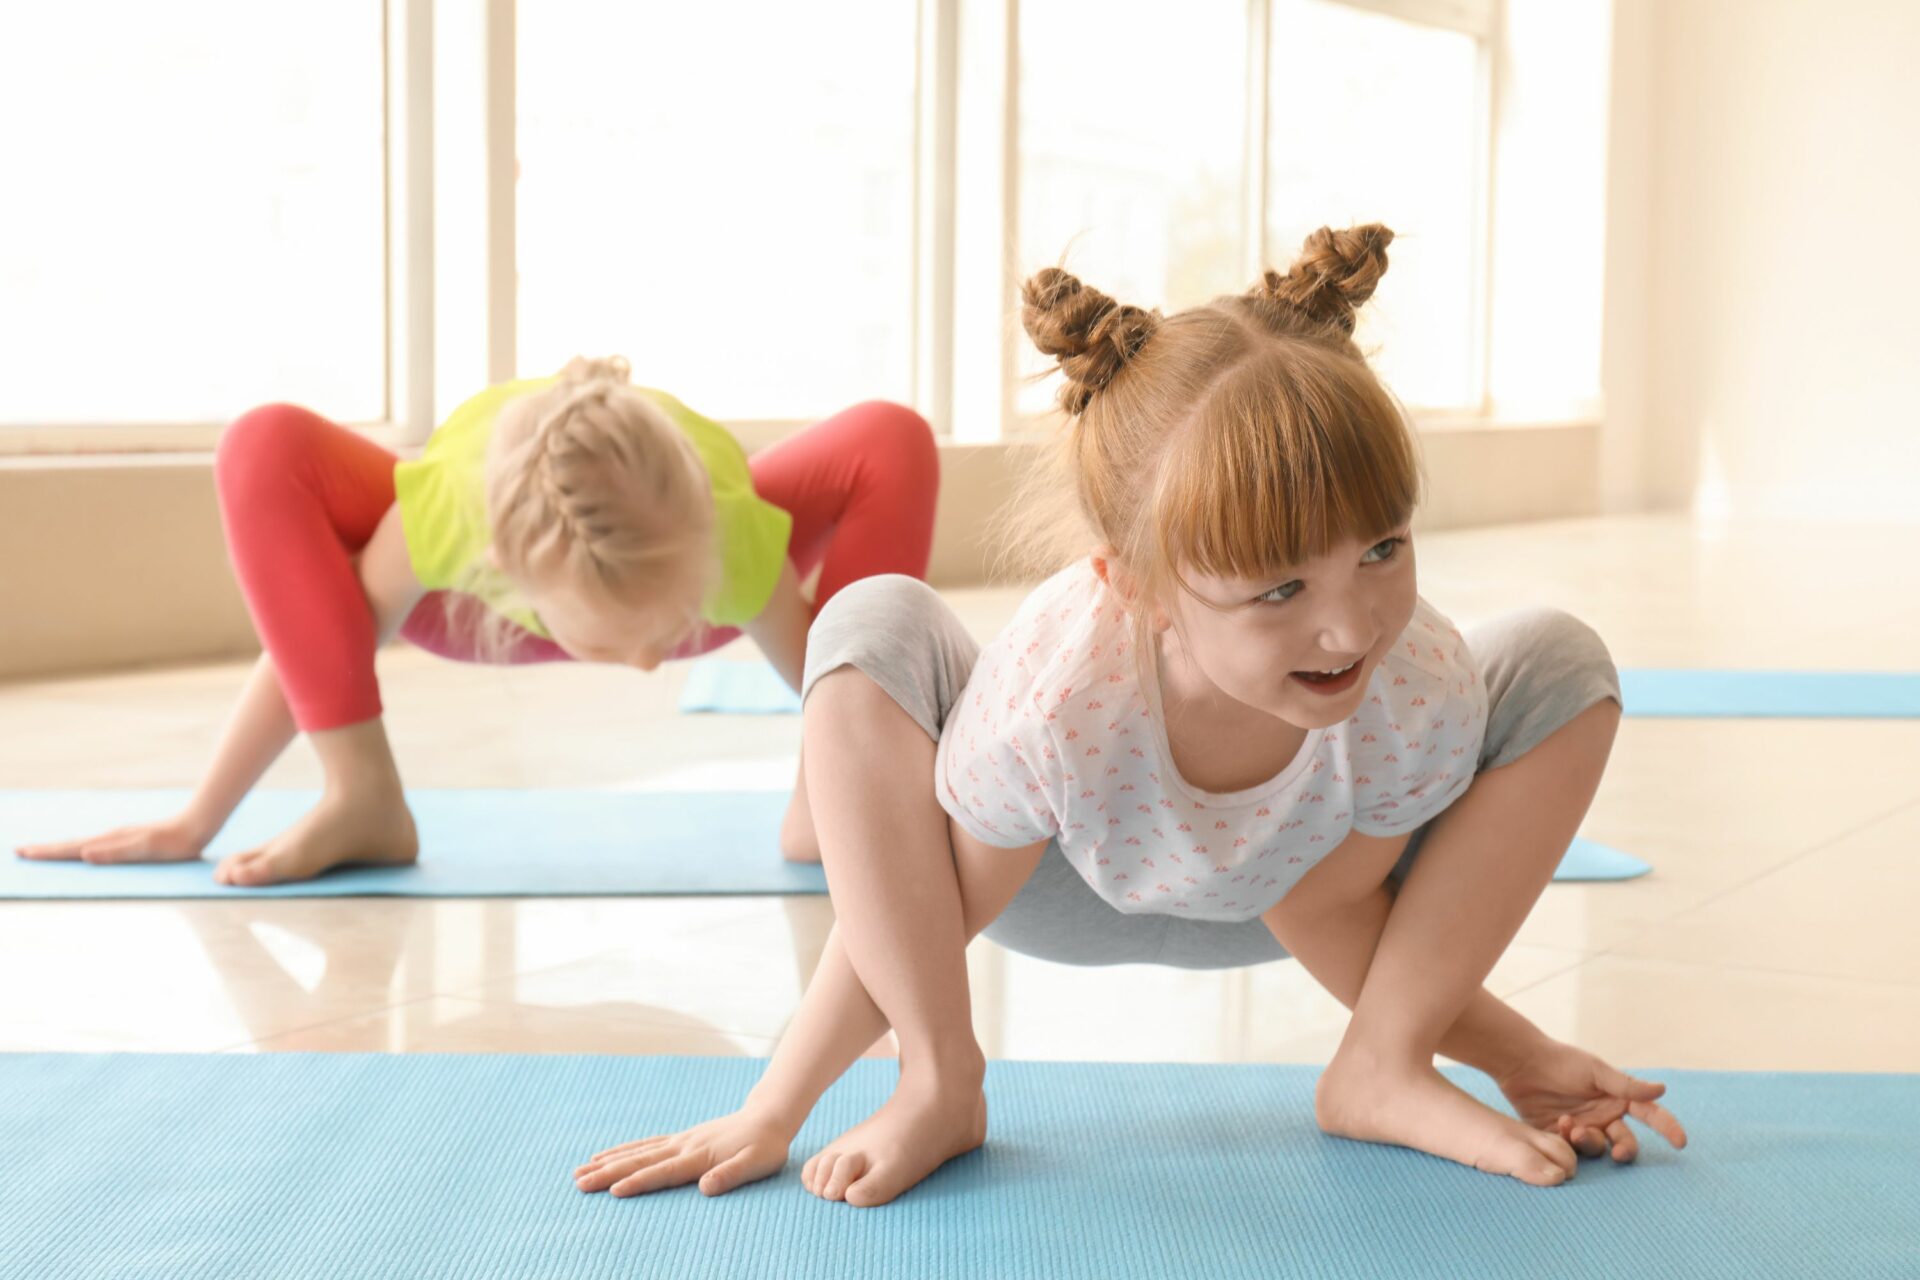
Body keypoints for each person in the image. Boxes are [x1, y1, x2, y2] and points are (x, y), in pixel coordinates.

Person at [574, 225, 1687, 1208]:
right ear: (1138, 585)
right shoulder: (1061, 698)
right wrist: (775, 1107)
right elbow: (927, 902)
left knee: (1559, 660)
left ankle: (1378, 1072)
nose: (1352, 627)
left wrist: (1518, 1051)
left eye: (1383, 550)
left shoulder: (1414, 674)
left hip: (1294, 889)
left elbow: (1336, 898)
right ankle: (941, 1081)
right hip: (1049, 875)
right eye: (1281, 589)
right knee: (869, 619)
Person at [16, 358, 937, 884]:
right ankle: (363, 800)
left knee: (893, 433)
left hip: (689, 586)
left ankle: (824, 804)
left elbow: (834, 682)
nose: (653, 666)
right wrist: (197, 817)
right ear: (510, 568)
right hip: (462, 612)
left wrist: (860, 799)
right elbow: (315, 649)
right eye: (627, 644)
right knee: (261, 441)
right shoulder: (451, 521)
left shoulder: (723, 544)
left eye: (654, 640)